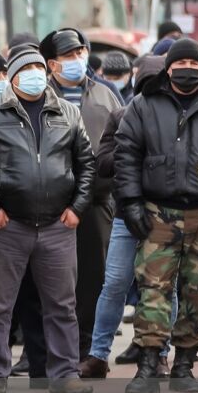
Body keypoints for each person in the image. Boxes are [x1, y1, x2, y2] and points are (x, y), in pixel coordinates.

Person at [0, 45, 96, 393]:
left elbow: (86, 164)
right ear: (12, 76)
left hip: (58, 225)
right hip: (7, 226)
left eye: (40, 67)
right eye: (26, 68)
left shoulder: (68, 112)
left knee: (62, 304)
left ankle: (64, 372)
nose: (35, 73)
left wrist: (78, 207)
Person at [113, 38, 198, 393]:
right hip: (158, 213)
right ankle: (148, 364)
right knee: (152, 290)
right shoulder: (143, 105)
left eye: (195, 65)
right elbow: (126, 157)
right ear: (168, 68)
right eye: (181, 64)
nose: (188, 70)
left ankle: (185, 364)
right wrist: (132, 204)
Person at [81, 55, 168, 378]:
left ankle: (159, 353)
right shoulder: (121, 116)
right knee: (115, 283)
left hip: (167, 213)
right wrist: (134, 144)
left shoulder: (177, 118)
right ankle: (98, 354)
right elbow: (101, 162)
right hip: (123, 214)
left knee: (161, 287)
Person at [40, 28, 122, 360]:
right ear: (52, 64)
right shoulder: (40, 96)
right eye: (69, 55)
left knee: (93, 277)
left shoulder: (106, 93)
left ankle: (86, 346)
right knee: (50, 280)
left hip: (98, 201)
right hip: (49, 204)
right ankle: (44, 349)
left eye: (80, 53)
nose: (77, 60)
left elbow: (121, 140)